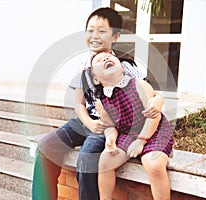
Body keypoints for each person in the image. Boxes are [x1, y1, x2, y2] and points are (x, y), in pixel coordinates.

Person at [32, 7, 164, 200]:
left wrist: (158, 101)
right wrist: (89, 123)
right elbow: (79, 104)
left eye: (102, 31)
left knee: (86, 160)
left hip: (110, 124)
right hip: (87, 122)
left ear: (116, 36)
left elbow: (152, 93)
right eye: (90, 30)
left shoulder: (125, 65)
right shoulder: (82, 67)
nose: (95, 36)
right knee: (45, 148)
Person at [83, 51, 174, 200]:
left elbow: (154, 115)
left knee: (154, 165)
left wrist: (141, 140)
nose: (106, 57)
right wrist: (110, 138)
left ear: (122, 68)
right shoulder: (102, 102)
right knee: (105, 161)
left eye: (109, 56)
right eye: (99, 60)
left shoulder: (138, 84)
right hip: (128, 134)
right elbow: (109, 125)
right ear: (96, 79)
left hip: (155, 130)